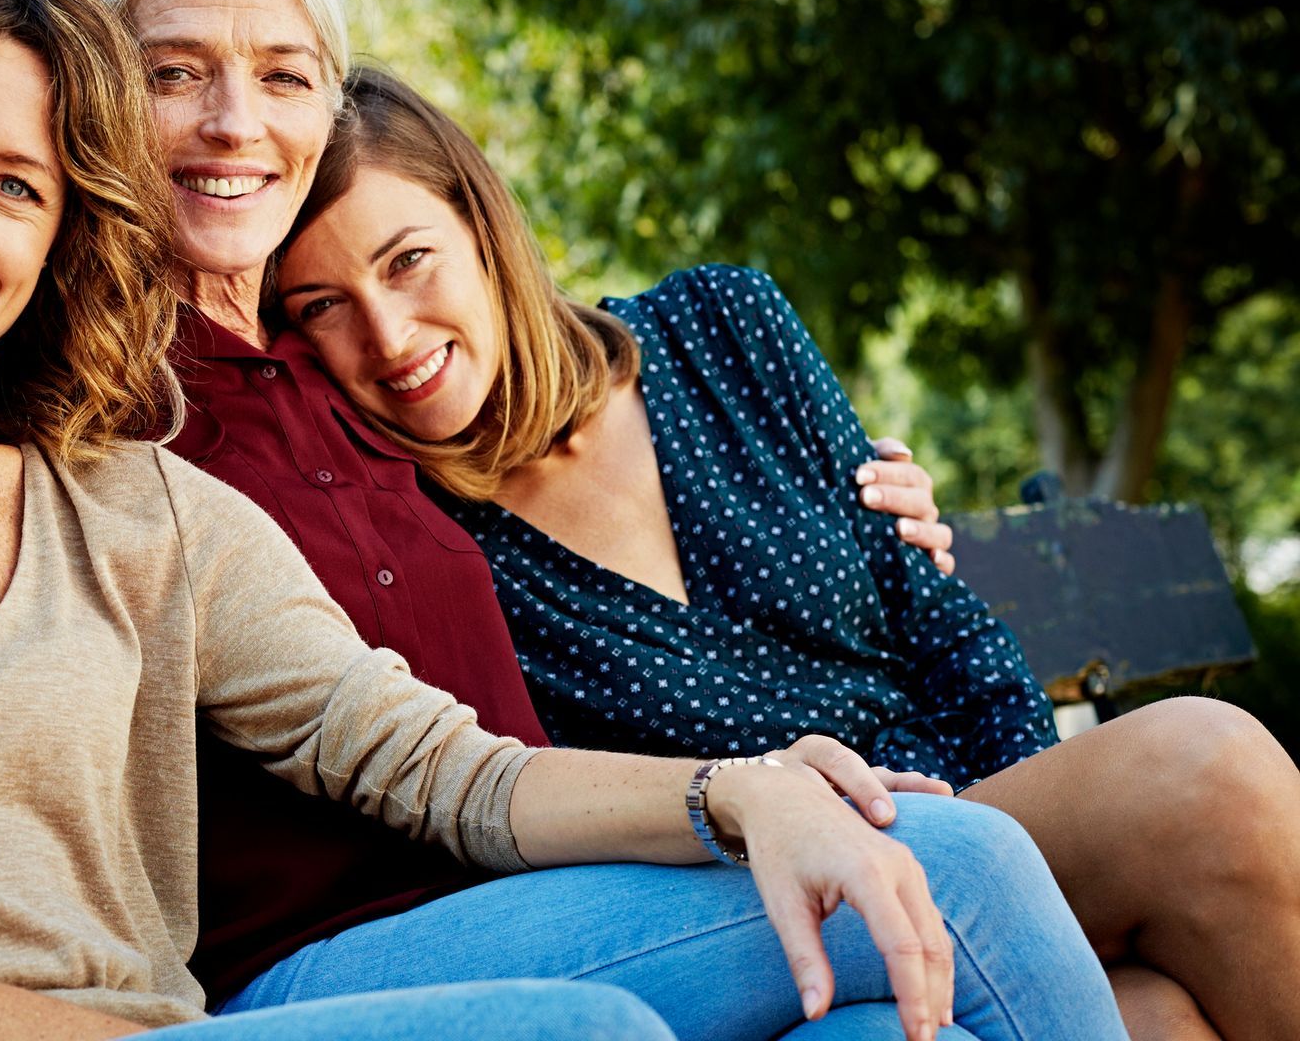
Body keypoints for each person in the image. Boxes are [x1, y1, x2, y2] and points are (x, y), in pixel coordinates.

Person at [0, 0, 1126, 1040]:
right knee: (588, 1030)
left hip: (226, 1005)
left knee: (941, 879)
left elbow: (425, 757)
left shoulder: (148, 499)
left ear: (64, 232)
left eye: (19, 189)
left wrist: (742, 788)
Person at [275, 63, 1300, 1041]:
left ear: (481, 223)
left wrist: (1053, 893)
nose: (389, 331)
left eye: (408, 259)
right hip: (765, 913)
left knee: (1210, 777)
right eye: (323, 307)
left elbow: (945, 634)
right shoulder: (410, 539)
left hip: (973, 829)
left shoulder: (724, 327)